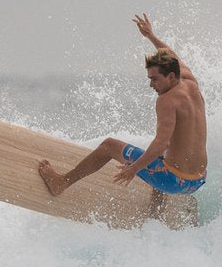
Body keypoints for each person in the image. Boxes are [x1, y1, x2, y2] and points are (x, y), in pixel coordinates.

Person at [37, 15, 207, 209]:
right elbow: (170, 53)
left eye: (155, 79)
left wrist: (133, 168)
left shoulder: (167, 100)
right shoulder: (189, 80)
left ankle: (61, 183)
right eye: (149, 78)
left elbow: (162, 143)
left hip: (174, 182)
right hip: (197, 181)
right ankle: (155, 217)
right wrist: (150, 36)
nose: (151, 85)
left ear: (170, 76)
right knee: (161, 158)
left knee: (109, 145)